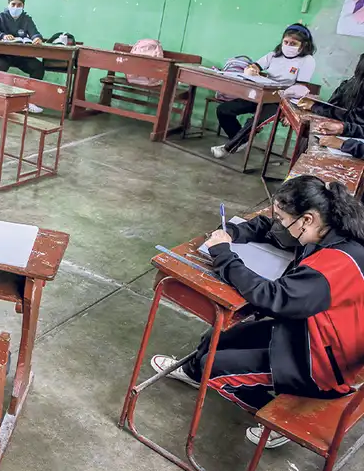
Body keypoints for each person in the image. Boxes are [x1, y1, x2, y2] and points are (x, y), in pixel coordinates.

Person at [151, 175, 364, 449]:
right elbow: (270, 229)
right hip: (305, 332)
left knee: (212, 367)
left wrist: (224, 255)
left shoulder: (334, 266)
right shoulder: (327, 230)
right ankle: (194, 374)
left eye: (284, 219)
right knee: (215, 339)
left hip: (320, 365)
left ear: (307, 219)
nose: (280, 224)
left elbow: (269, 297)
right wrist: (230, 234)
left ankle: (282, 419)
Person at [212, 24, 317, 159]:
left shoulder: (307, 60)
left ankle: (228, 148)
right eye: (286, 42)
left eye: (293, 43)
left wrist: (290, 110)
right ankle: (240, 140)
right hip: (262, 95)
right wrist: (252, 70)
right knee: (224, 110)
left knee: (254, 121)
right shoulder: (273, 55)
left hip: (281, 101)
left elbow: (300, 88)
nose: (288, 46)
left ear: (304, 45)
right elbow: (255, 66)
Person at [0, 0, 45, 80]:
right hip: (5, 55)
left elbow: (34, 33)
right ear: (8, 4)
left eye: (19, 5)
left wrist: (37, 38)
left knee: (38, 68)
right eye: (13, 4)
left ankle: (31, 89)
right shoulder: (1, 17)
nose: (16, 7)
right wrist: (3, 36)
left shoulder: (27, 19)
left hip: (22, 55)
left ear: (23, 6)